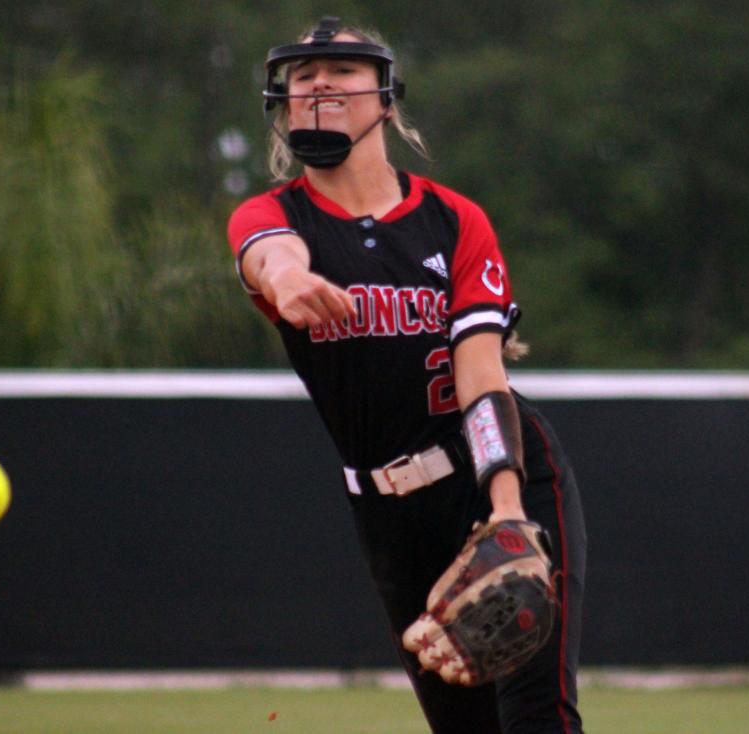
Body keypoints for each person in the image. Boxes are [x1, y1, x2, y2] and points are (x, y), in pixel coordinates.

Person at [227, 17, 587, 734]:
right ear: (284, 100)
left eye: (342, 69)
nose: (320, 82)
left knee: (536, 717)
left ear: (385, 97)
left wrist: (508, 510)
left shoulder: (453, 220)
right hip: (389, 515)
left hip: (498, 480)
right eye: (303, 75)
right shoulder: (273, 216)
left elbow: (482, 377)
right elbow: (268, 254)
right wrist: (289, 274)